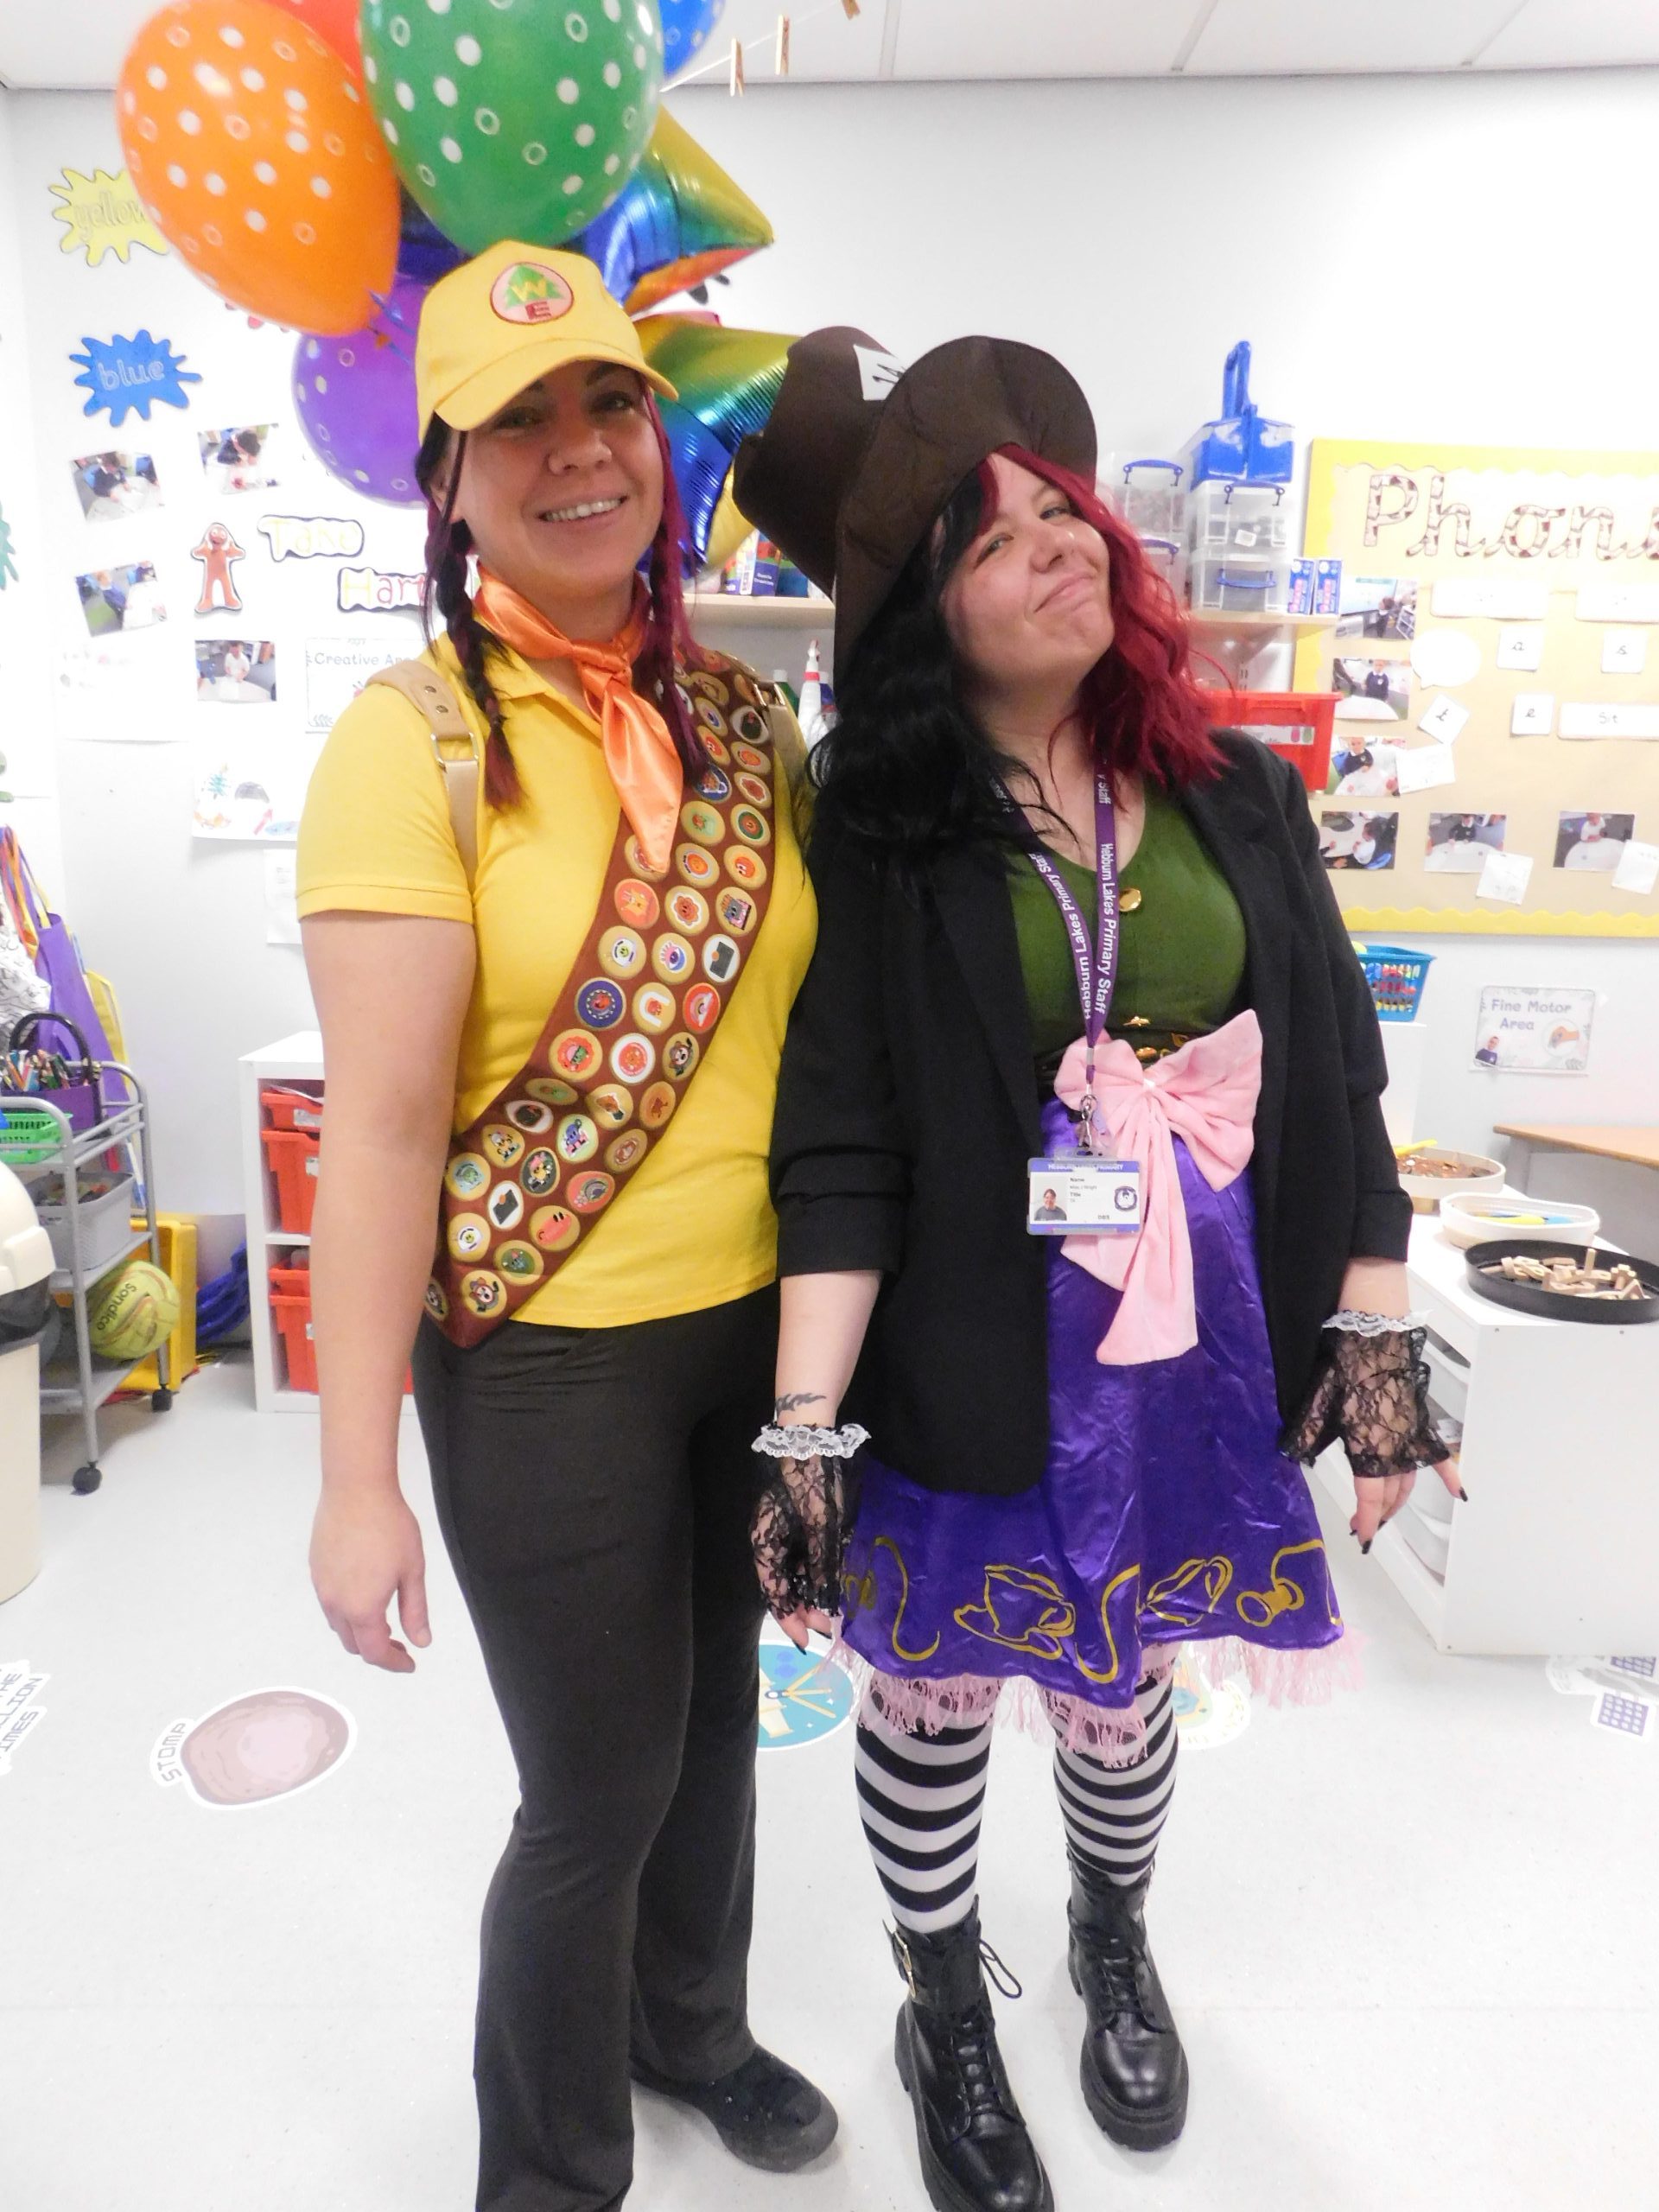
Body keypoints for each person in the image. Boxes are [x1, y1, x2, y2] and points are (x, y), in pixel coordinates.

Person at [734, 329, 1463, 2212]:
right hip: (970, 1352)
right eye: (995, 539)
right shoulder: (882, 832)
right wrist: (805, 1430)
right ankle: (942, 2012)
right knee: (934, 1702)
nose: (1060, 542)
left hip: (1188, 1353)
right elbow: (841, 1137)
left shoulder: (1236, 794)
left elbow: (1339, 1073)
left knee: (1126, 1692)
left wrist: (1377, 1335)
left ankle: (1112, 1935)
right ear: (927, 619)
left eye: (1063, 511)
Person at [296, 243, 833, 2212]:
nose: (578, 448)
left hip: (754, 1333)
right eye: (515, 420)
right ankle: (547, 2172)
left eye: (610, 400)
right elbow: (379, 1137)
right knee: (596, 1789)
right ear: (445, 479)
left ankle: (690, 2028)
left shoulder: (750, 724)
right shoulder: (413, 741)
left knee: (720, 1737)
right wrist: (358, 1479)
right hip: (542, 1358)